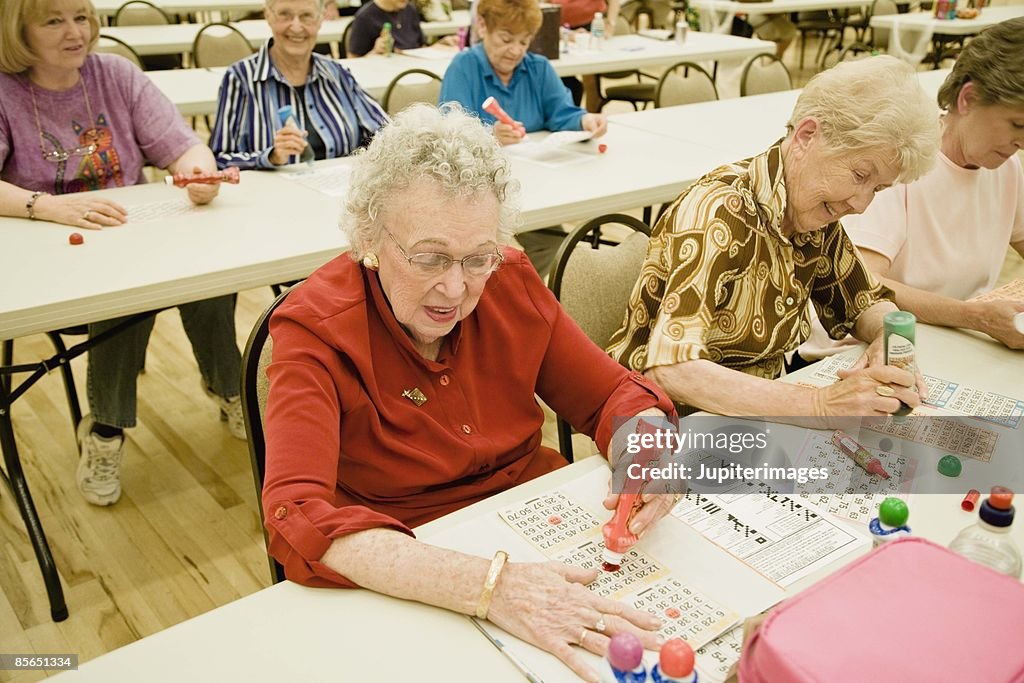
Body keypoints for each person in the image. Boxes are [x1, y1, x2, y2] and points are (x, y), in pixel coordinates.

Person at [262, 103, 676, 683]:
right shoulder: (316, 328)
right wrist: (490, 586)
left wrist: (648, 450)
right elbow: (295, 515)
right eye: (429, 257)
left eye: (476, 258)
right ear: (370, 239)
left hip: (536, 528)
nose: (454, 288)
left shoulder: (507, 278)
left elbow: (613, 395)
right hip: (410, 564)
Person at [0, 0, 242, 506]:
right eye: (53, 20)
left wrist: (198, 171)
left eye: (81, 17)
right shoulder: (6, 91)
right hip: (51, 251)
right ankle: (107, 428)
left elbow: (182, 144)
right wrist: (47, 207)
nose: (75, 32)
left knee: (210, 274)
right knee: (124, 299)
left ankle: (229, 388)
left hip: (128, 239)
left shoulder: (115, 75)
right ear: (17, 29)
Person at [607, 56, 941, 417]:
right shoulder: (719, 211)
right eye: (861, 175)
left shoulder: (813, 210)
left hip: (754, 412)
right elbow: (672, 368)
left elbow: (864, 301)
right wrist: (820, 405)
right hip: (665, 418)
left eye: (877, 188)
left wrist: (884, 339)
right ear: (806, 136)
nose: (861, 205)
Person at [796, 18, 1024, 364]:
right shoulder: (896, 162)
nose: (1022, 141)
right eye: (1017, 124)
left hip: (948, 343)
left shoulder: (1006, 167)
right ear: (968, 98)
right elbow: (864, 284)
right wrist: (975, 316)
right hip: (852, 353)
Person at [210, 0, 388, 169]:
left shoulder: (337, 74)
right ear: (268, 16)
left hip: (339, 194)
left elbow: (387, 134)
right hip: (272, 197)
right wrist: (269, 157)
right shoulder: (241, 78)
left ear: (320, 19)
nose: (296, 27)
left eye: (306, 16)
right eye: (285, 15)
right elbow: (219, 159)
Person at [438, 0, 607, 146]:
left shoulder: (539, 68)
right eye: (506, 39)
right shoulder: (463, 68)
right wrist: (488, 136)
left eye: (524, 42)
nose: (516, 51)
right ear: (482, 26)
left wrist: (585, 121)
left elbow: (563, 113)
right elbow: (450, 132)